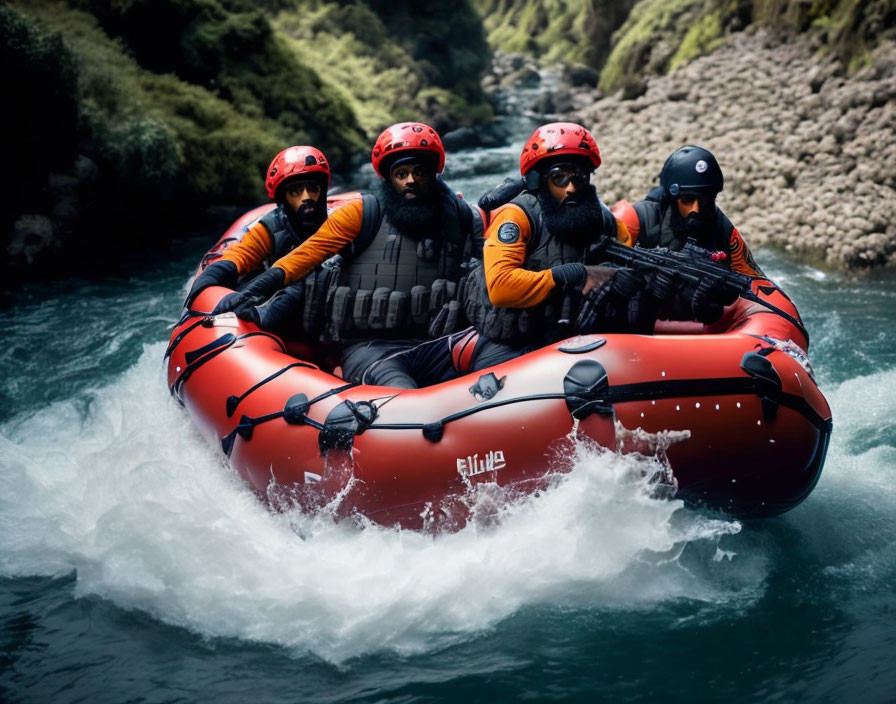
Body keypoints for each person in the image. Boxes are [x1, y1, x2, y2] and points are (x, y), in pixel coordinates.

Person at [227, 121, 486, 389]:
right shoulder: (362, 214)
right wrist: (252, 291)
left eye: (419, 172)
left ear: (433, 174)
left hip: (442, 341)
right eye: (401, 173)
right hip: (372, 349)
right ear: (389, 178)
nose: (410, 180)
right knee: (401, 396)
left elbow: (487, 271)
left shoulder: (464, 217)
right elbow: (305, 256)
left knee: (495, 351)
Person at [458, 122, 643, 372]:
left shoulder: (605, 222)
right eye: (559, 177)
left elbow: (627, 266)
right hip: (512, 343)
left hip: (579, 337)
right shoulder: (517, 216)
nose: (571, 188)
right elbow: (501, 287)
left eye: (580, 176)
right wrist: (571, 274)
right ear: (541, 180)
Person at [183, 145, 332, 311]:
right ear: (284, 199)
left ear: (323, 191)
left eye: (312, 188)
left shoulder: (340, 223)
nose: (306, 197)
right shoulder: (269, 230)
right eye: (295, 191)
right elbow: (239, 256)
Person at [612, 145, 764, 277]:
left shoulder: (723, 230)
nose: (696, 209)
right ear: (672, 198)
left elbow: (756, 280)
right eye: (687, 200)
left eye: (704, 200)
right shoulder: (638, 219)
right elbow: (595, 268)